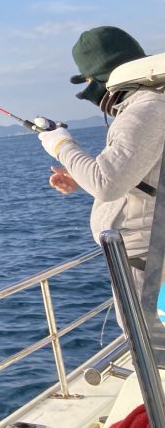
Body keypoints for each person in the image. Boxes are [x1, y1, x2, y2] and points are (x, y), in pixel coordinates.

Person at [39, 26, 165, 303]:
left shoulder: (145, 110)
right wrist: (80, 176)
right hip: (147, 261)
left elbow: (107, 184)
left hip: (150, 266)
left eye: (87, 80)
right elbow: (136, 176)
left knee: (150, 333)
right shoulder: (152, 105)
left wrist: (61, 145)